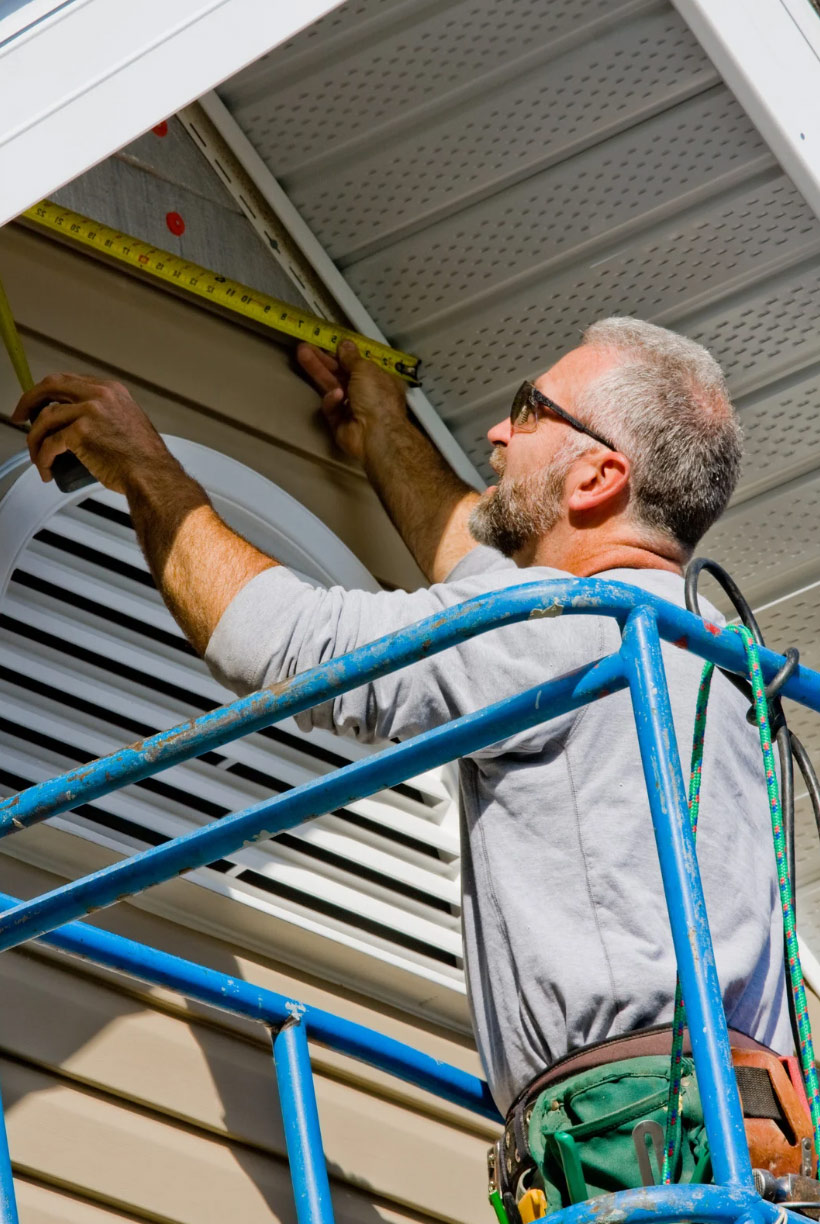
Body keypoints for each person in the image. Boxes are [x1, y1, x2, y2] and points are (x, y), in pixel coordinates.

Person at [12, 316, 790, 1203]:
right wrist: (385, 434)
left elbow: (282, 644)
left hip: (635, 1138)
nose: (498, 432)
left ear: (599, 475)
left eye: (529, 411)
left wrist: (144, 465)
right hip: (722, 1136)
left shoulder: (574, 630)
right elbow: (477, 560)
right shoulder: (691, 647)